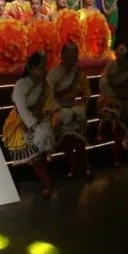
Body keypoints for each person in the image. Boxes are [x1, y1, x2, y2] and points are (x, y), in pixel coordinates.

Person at [2, 51, 56, 198]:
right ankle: (46, 181)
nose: (44, 70)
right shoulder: (21, 85)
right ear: (31, 68)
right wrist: (34, 126)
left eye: (45, 67)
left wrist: (44, 124)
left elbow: (48, 107)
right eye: (40, 67)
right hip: (19, 122)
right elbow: (22, 109)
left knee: (45, 136)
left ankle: (45, 178)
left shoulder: (46, 86)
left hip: (39, 119)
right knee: (33, 142)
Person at [48, 42, 91, 180]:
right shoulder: (54, 74)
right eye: (68, 56)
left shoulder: (80, 74)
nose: (71, 59)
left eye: (73, 56)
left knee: (80, 137)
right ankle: (71, 164)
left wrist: (81, 106)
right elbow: (48, 95)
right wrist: (57, 108)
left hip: (74, 109)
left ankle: (82, 165)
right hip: (58, 110)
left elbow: (86, 94)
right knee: (64, 137)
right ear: (63, 56)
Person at [98, 44, 128, 165]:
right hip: (112, 100)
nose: (122, 60)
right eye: (119, 57)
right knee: (115, 119)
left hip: (126, 100)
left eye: (124, 58)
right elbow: (104, 87)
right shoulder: (111, 66)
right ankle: (116, 156)